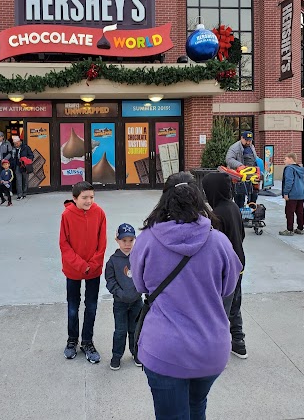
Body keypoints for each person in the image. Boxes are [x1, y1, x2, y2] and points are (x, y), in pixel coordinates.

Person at [130, 171, 242, 420]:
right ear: (199, 198)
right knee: (196, 406)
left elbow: (140, 285)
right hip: (211, 349)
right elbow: (228, 288)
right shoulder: (219, 242)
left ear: (165, 199)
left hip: (164, 350)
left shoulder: (147, 240)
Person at [59, 181, 107, 364]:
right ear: (74, 198)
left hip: (93, 269)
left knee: (92, 306)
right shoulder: (67, 215)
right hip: (73, 269)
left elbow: (101, 243)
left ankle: (87, 341)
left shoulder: (99, 213)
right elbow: (64, 245)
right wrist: (81, 265)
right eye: (84, 198)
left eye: (92, 197)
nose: (89, 201)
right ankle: (72, 340)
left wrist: (93, 264)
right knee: (73, 306)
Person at [202, 171, 247, 359]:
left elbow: (214, 245)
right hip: (239, 265)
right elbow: (242, 234)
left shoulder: (217, 213)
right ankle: (239, 343)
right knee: (234, 306)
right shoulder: (233, 207)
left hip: (225, 271)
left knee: (220, 310)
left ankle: (219, 352)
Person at [105, 223, 143, 371]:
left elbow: (143, 276)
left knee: (135, 329)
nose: (127, 244)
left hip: (136, 302)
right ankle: (116, 356)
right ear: (117, 240)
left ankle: (136, 353)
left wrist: (139, 291)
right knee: (120, 331)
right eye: (124, 240)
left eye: (130, 240)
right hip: (120, 303)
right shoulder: (113, 261)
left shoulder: (138, 258)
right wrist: (119, 293)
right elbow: (110, 280)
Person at [226, 130, 258, 208]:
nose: (248, 142)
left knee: (254, 194)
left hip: (251, 174)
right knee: (239, 196)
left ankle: (251, 211)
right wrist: (240, 166)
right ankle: (239, 213)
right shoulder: (234, 147)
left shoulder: (251, 146)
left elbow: (254, 158)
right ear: (241, 138)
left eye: (250, 140)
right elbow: (229, 159)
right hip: (239, 176)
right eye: (246, 140)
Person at [279, 153, 304, 236]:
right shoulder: (301, 169)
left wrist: (286, 193)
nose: (284, 161)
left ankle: (289, 229)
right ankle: (300, 228)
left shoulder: (289, 168)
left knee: (289, 212)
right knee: (300, 211)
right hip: (301, 193)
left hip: (292, 193)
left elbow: (289, 181)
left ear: (291, 159)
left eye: (285, 159)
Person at [11, 135, 34, 199]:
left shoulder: (26, 147)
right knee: (18, 181)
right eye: (15, 143)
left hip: (25, 166)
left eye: (17, 143)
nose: (16, 145)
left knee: (25, 180)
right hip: (17, 166)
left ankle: (24, 193)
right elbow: (13, 158)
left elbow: (31, 155)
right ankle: (19, 194)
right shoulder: (14, 149)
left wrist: (26, 160)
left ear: (20, 141)